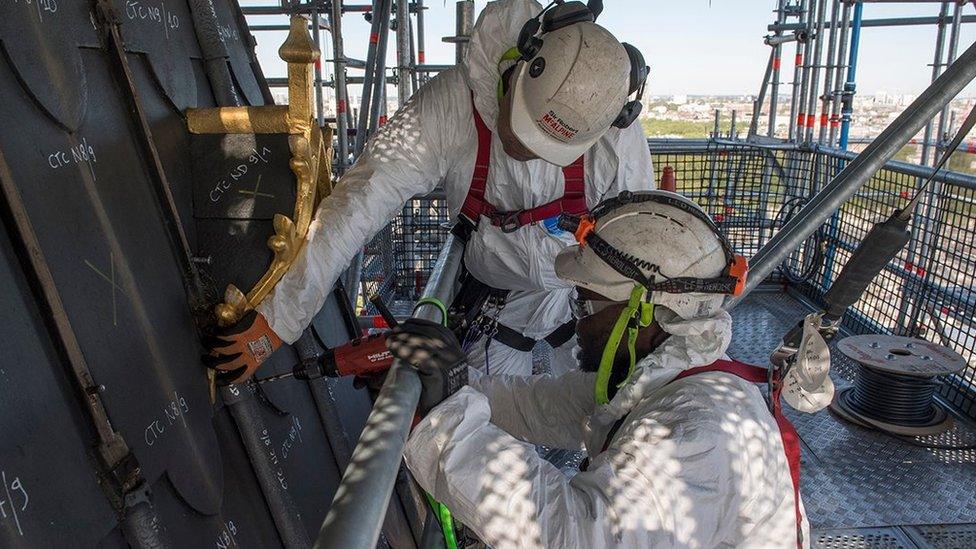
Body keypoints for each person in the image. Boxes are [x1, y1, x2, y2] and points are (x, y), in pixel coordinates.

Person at [205, 0, 654, 383]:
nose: (526, 152)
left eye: (550, 147)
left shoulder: (608, 123)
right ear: (519, 69)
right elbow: (364, 199)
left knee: (588, 411)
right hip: (493, 304)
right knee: (488, 425)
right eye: (520, 131)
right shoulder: (452, 105)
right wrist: (280, 319)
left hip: (572, 299)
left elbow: (639, 251)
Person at [389, 190, 809, 548]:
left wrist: (447, 420)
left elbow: (571, 534)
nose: (578, 324)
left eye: (585, 305)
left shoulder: (696, 434)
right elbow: (536, 406)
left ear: (643, 315)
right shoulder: (665, 379)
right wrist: (447, 382)